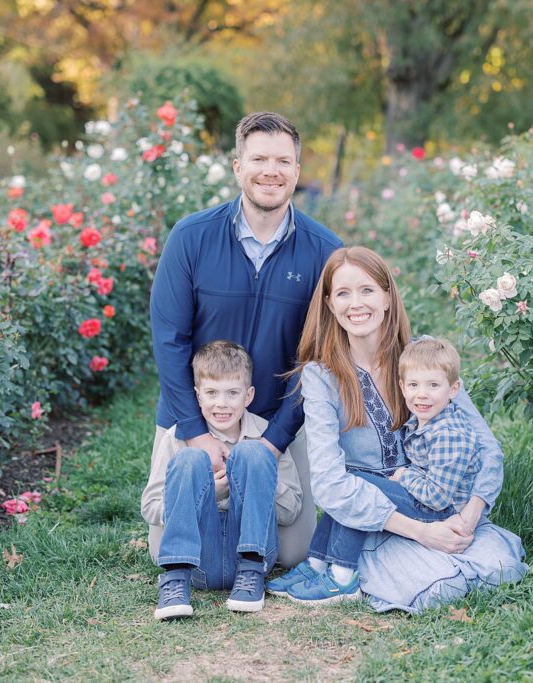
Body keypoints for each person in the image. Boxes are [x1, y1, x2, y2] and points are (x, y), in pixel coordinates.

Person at [265, 246, 527, 612]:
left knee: (491, 560)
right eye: (343, 293)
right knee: (424, 574)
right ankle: (320, 566)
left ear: (388, 297)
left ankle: (329, 567)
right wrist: (422, 533)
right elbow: (329, 484)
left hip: (433, 499)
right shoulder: (320, 376)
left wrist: (467, 519)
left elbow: (488, 449)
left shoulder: (423, 359)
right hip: (368, 515)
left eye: (367, 290)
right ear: (329, 304)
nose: (356, 303)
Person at [143, 112, 342, 570]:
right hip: (199, 410)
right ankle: (218, 542)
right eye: (259, 159)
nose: (270, 171)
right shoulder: (191, 237)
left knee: (291, 554)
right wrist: (193, 432)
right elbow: (170, 340)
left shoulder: (324, 250)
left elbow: (321, 358)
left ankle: (242, 546)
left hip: (276, 417)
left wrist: (273, 441)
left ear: (296, 170)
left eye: (282, 161)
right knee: (165, 551)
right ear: (238, 167)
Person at [282, 337, 480, 604]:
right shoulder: (430, 419)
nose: (422, 394)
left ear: (453, 389)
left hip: (439, 510)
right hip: (420, 495)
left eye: (433, 385)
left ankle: (342, 578)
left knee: (359, 486)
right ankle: (317, 564)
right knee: (346, 486)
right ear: (402, 387)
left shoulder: (449, 434)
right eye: (414, 385)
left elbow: (437, 496)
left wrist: (404, 476)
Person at [142, 341, 303, 618]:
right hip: (199, 561)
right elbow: (150, 507)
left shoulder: (264, 436)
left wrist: (255, 482)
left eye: (232, 393)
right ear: (197, 396)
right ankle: (174, 579)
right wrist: (208, 494)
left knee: (253, 452)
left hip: (255, 559)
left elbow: (290, 511)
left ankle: (251, 570)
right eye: (212, 393)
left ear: (248, 396)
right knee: (191, 459)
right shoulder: (178, 437)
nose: (222, 403)